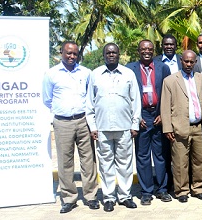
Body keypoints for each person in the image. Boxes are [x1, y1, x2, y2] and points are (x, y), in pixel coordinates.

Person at [42, 41, 100, 214]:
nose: (71, 56)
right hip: (62, 122)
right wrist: (62, 111)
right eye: (68, 53)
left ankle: (91, 196)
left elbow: (91, 96)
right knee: (65, 161)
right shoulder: (51, 74)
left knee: (88, 160)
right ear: (62, 53)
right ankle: (68, 198)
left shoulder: (86, 73)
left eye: (75, 54)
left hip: (83, 121)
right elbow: (47, 99)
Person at [86, 43, 141, 211]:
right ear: (104, 55)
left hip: (124, 127)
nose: (111, 55)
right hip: (102, 128)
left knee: (125, 163)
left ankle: (125, 196)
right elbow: (90, 103)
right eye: (108, 53)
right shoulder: (95, 74)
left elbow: (135, 100)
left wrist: (135, 123)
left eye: (114, 52)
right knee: (106, 164)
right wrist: (92, 126)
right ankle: (109, 197)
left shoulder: (128, 74)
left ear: (119, 54)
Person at [126, 40, 173, 205]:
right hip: (141, 116)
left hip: (158, 115)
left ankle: (162, 189)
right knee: (143, 156)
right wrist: (136, 117)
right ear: (138, 51)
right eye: (143, 49)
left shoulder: (163, 68)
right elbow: (128, 96)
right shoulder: (130, 69)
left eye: (150, 49)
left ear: (154, 51)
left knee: (160, 155)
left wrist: (163, 114)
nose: (147, 51)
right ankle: (146, 191)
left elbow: (168, 93)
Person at [161, 50, 202, 203]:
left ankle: (199, 188)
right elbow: (165, 106)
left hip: (199, 127)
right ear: (181, 61)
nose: (189, 64)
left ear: (196, 62)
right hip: (179, 127)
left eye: (192, 62)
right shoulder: (170, 81)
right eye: (186, 61)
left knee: (200, 160)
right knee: (180, 161)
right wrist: (167, 128)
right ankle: (181, 190)